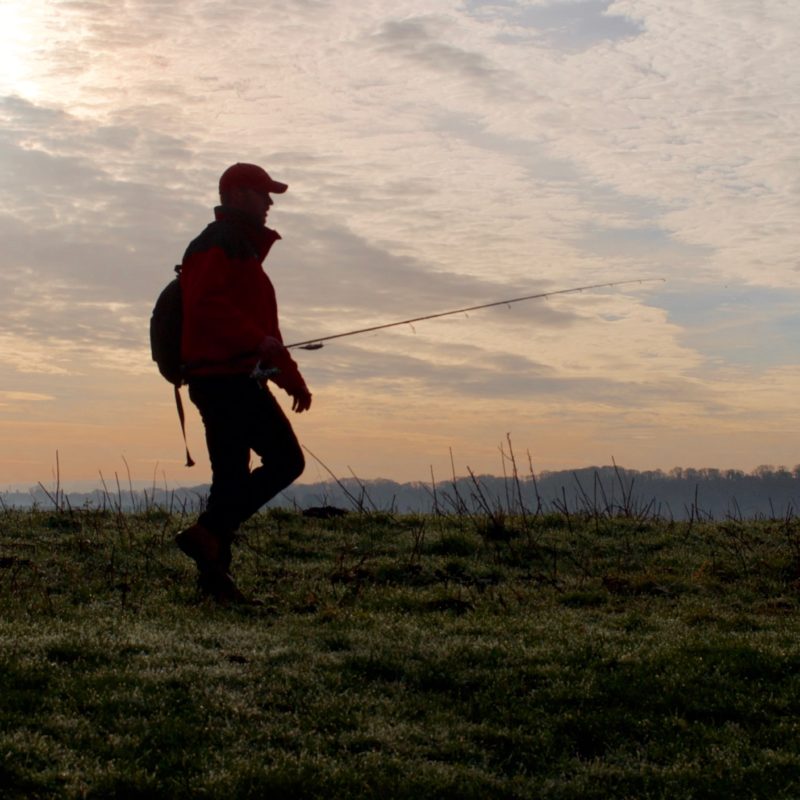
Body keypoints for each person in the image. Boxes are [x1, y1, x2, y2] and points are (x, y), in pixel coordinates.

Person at [174, 163, 312, 603]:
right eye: (262, 192)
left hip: (227, 377)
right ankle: (209, 533)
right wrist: (260, 344)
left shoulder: (241, 250)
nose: (270, 202)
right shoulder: (218, 244)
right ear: (236, 193)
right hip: (224, 380)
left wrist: (290, 377)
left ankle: (214, 584)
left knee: (231, 479)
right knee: (287, 460)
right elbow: (207, 307)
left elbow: (263, 330)